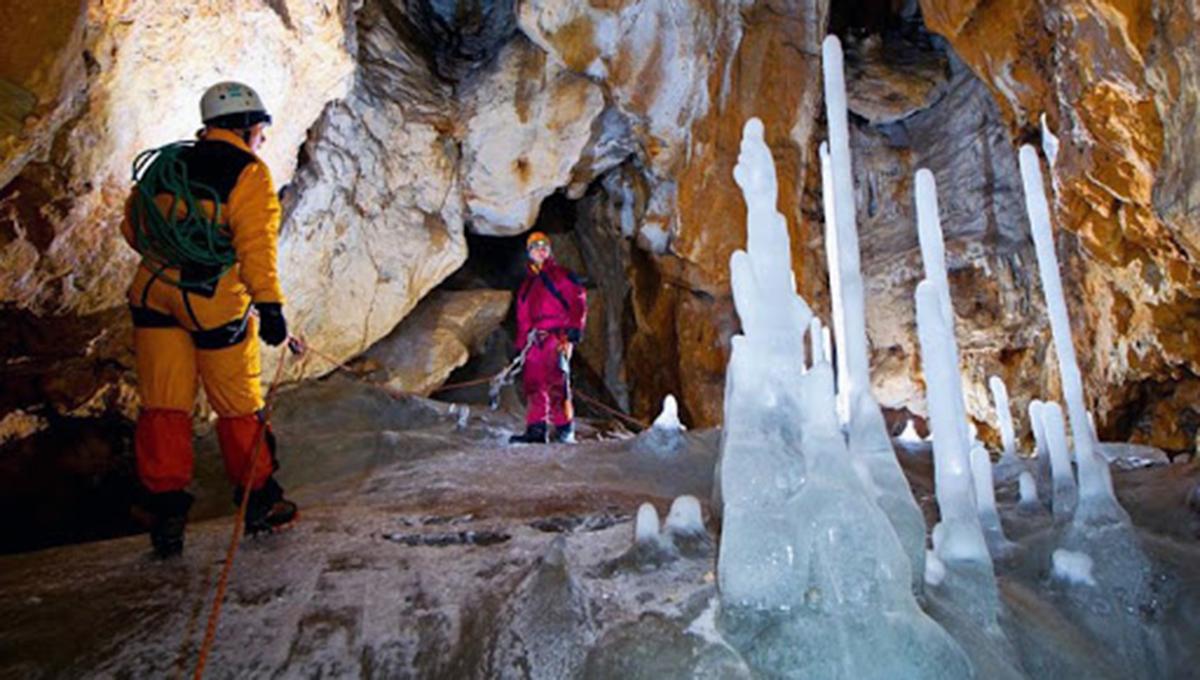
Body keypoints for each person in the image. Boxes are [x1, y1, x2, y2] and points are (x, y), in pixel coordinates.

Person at [121, 81, 297, 558]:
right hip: (211, 301)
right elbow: (255, 248)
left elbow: (133, 227)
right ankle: (260, 499)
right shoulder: (249, 174)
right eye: (259, 127)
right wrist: (270, 306)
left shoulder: (169, 164)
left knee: (164, 404)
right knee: (239, 405)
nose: (261, 136)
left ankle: (165, 510)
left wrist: (174, 256)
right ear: (246, 127)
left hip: (154, 294)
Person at [509, 231, 587, 444]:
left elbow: (578, 299)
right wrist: (520, 345)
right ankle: (536, 429)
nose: (540, 250)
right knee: (533, 384)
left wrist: (574, 328)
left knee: (556, 382)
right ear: (529, 253)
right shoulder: (527, 286)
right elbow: (523, 318)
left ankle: (563, 429)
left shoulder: (561, 275)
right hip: (534, 341)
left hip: (556, 336)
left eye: (544, 246)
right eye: (535, 247)